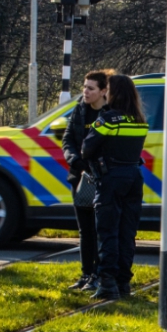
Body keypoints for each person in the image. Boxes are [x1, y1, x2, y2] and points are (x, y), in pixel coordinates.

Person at [81, 74, 149, 300]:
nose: (106, 93)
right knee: (127, 233)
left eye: (108, 89)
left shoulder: (108, 120)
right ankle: (123, 283)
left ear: (115, 92)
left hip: (110, 179)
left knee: (108, 232)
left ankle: (107, 283)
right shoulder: (140, 121)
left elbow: (87, 148)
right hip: (133, 178)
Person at [61, 70, 112, 292]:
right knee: (85, 229)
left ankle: (100, 275)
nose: (85, 92)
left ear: (103, 91)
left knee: (102, 228)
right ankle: (86, 274)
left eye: (91, 88)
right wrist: (74, 159)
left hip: (103, 177)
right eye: (84, 87)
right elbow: (68, 139)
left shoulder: (110, 114)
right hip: (81, 177)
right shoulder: (80, 110)